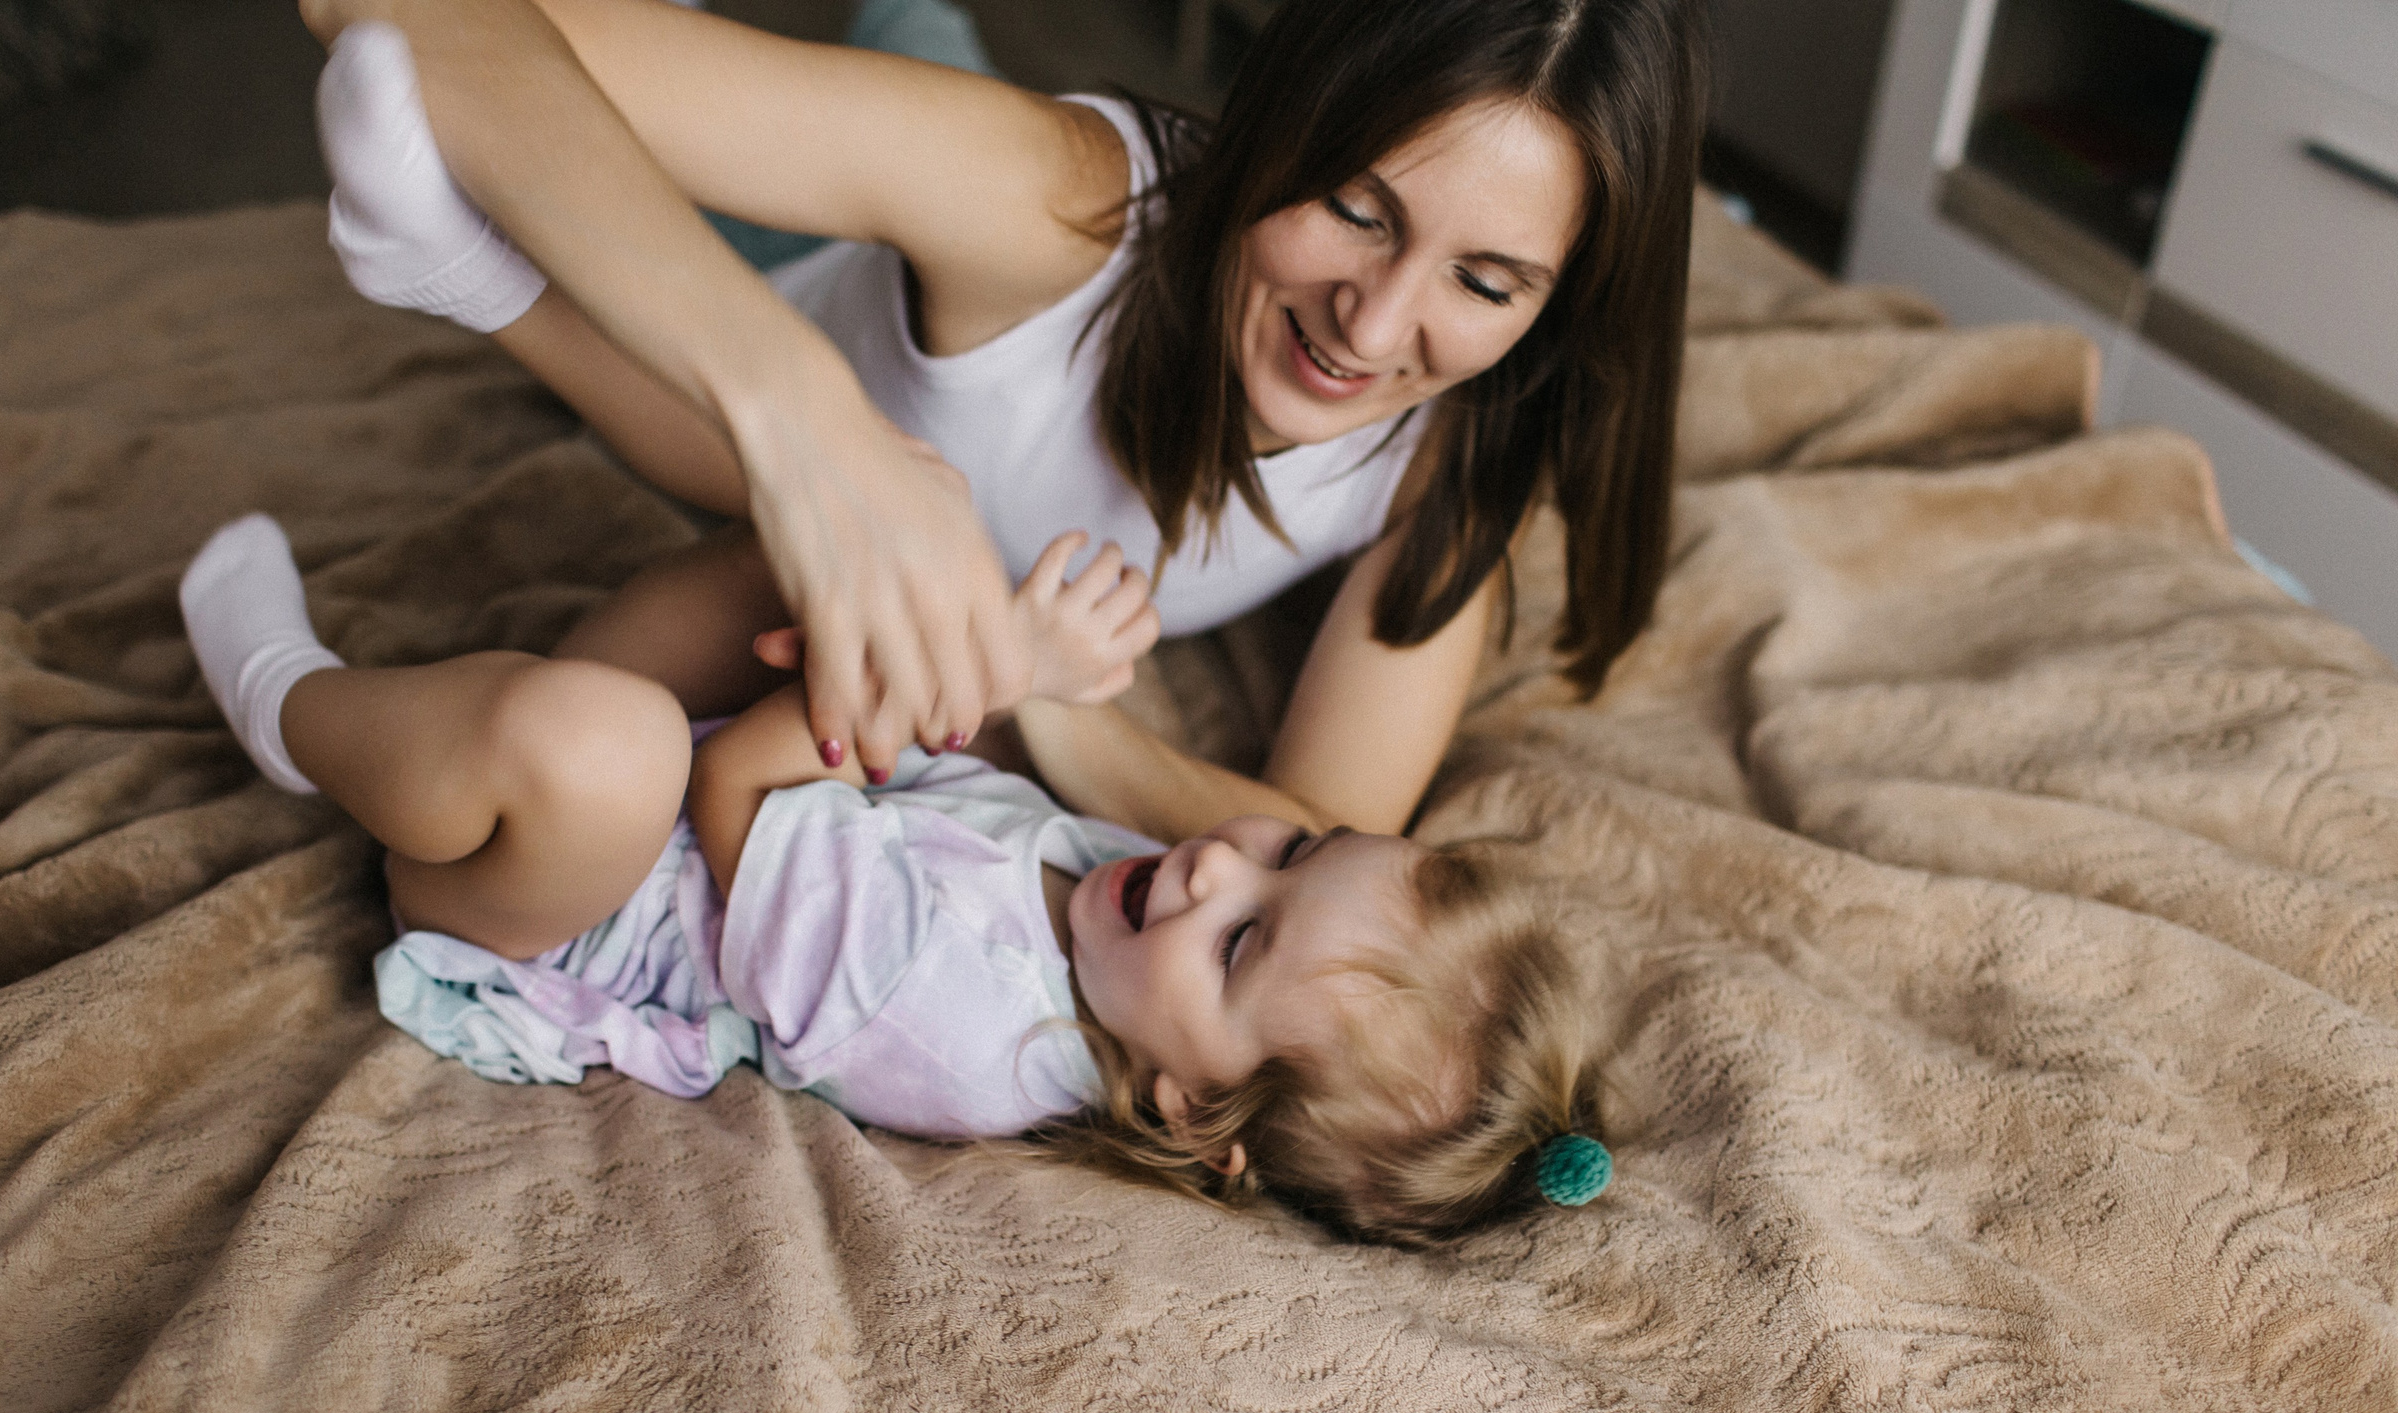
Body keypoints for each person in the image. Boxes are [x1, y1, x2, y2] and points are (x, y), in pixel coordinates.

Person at [294, 0, 1709, 832]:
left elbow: (1321, 844)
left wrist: (1055, 716)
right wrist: (808, 421)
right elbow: (410, 18)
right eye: (1354, 207)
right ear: (1283, 127)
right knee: (926, 96)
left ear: (1558, 302)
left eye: (1484, 279)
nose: (1377, 325)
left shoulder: (1466, 436)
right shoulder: (1060, 207)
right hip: (821, 260)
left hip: (952, 226)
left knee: (928, 58)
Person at [177, 513, 1607, 1244]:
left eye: (1242, 943)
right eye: (1290, 848)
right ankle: (477, 716)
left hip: (555, 908)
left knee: (601, 749)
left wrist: (964, 677)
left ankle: (294, 708)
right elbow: (923, 779)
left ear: (1187, 1105)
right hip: (699, 794)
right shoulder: (1130, 934)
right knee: (806, 565)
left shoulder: (959, 1029)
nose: (1216, 863)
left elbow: (742, 784)